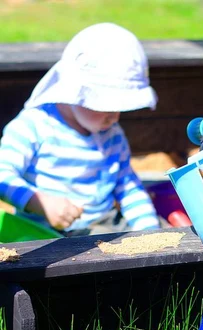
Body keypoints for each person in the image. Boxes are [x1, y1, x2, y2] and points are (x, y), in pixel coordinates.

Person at [0, 23, 160, 234]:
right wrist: (39, 202)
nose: (114, 116)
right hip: (44, 232)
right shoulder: (32, 127)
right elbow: (3, 175)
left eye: (120, 107)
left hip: (102, 223)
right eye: (105, 105)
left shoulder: (112, 134)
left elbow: (127, 185)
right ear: (73, 92)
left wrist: (151, 232)